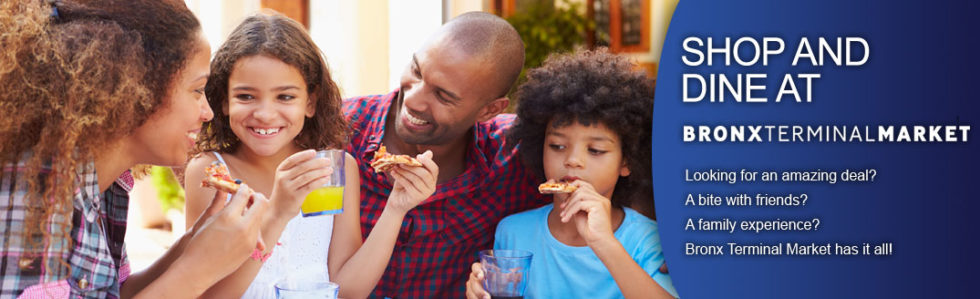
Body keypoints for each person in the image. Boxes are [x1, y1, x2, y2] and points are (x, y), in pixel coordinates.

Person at [0, 0, 270, 298]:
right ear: (135, 92)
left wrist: (194, 242)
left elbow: (118, 293)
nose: (207, 112)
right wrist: (199, 268)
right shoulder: (37, 192)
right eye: (196, 90)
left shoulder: (106, 185)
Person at [183, 12, 439, 299]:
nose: (265, 114)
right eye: (246, 96)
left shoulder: (333, 171)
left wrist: (396, 208)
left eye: (285, 97)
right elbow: (205, 295)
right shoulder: (212, 174)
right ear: (223, 102)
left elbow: (348, 291)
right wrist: (278, 214)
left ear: (311, 102)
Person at [342, 11, 551, 298]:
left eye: (443, 96)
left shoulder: (516, 156)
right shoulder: (338, 131)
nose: (413, 100)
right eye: (416, 71)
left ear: (489, 110)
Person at [465, 49, 679, 299]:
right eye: (557, 146)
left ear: (627, 161)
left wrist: (604, 243)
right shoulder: (512, 232)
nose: (572, 161)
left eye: (596, 150)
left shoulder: (652, 239)